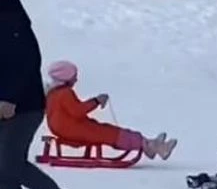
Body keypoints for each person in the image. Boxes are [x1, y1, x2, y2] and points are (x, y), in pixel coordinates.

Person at [0, 0, 79, 189]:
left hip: (23, 105)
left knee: (10, 163)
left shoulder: (8, 13)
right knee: (3, 164)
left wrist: (10, 98)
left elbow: (27, 59)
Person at [45, 61, 177, 159]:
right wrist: (96, 101)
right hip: (73, 129)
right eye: (74, 76)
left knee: (107, 130)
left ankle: (149, 144)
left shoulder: (54, 94)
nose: (76, 79)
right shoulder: (65, 94)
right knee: (110, 134)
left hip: (70, 127)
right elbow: (77, 111)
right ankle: (152, 146)